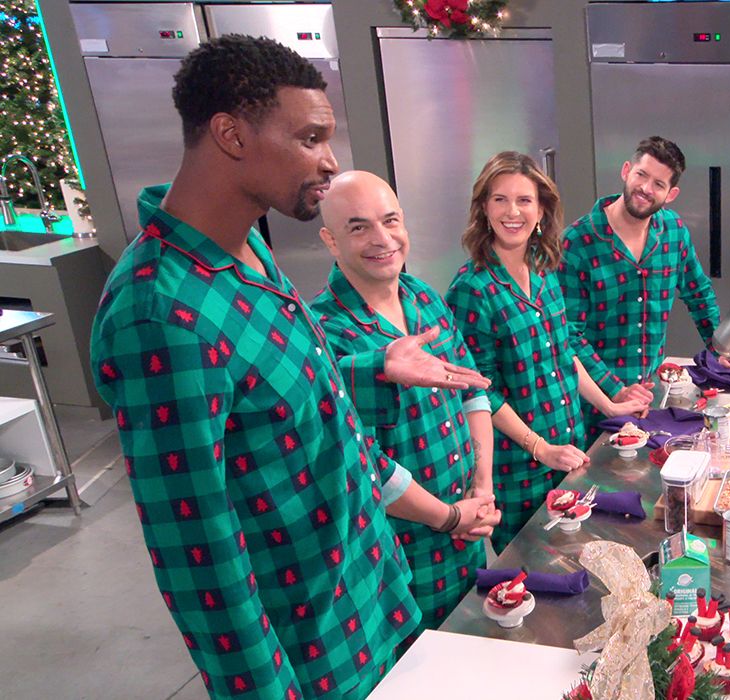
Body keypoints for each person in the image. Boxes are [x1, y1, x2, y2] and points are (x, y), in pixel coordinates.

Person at [91, 36, 490, 699]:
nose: (329, 162)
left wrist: (377, 372)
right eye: (310, 138)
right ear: (231, 135)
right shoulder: (159, 315)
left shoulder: (251, 251)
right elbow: (201, 561)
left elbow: (317, 417)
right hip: (313, 657)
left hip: (377, 605)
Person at [310, 171, 502, 642]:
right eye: (358, 228)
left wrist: (482, 488)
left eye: (390, 220)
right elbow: (363, 462)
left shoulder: (422, 297)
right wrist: (449, 516)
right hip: (402, 553)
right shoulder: (322, 334)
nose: (382, 239)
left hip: (470, 531)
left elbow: (471, 389)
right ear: (330, 241)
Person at [446, 151, 648, 550]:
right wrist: (540, 448)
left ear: (541, 211)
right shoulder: (471, 289)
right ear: (484, 209)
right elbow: (479, 391)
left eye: (524, 201)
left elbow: (563, 351)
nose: (512, 212)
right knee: (534, 572)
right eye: (500, 199)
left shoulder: (543, 268)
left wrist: (607, 406)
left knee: (580, 561)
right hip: (520, 468)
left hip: (568, 448)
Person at [560, 136, 730, 430]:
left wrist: (721, 350)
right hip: (589, 404)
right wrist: (614, 388)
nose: (645, 189)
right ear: (626, 170)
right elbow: (567, 335)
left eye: (658, 184)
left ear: (671, 194)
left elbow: (699, 295)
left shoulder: (673, 231)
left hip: (651, 393)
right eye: (641, 175)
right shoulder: (577, 242)